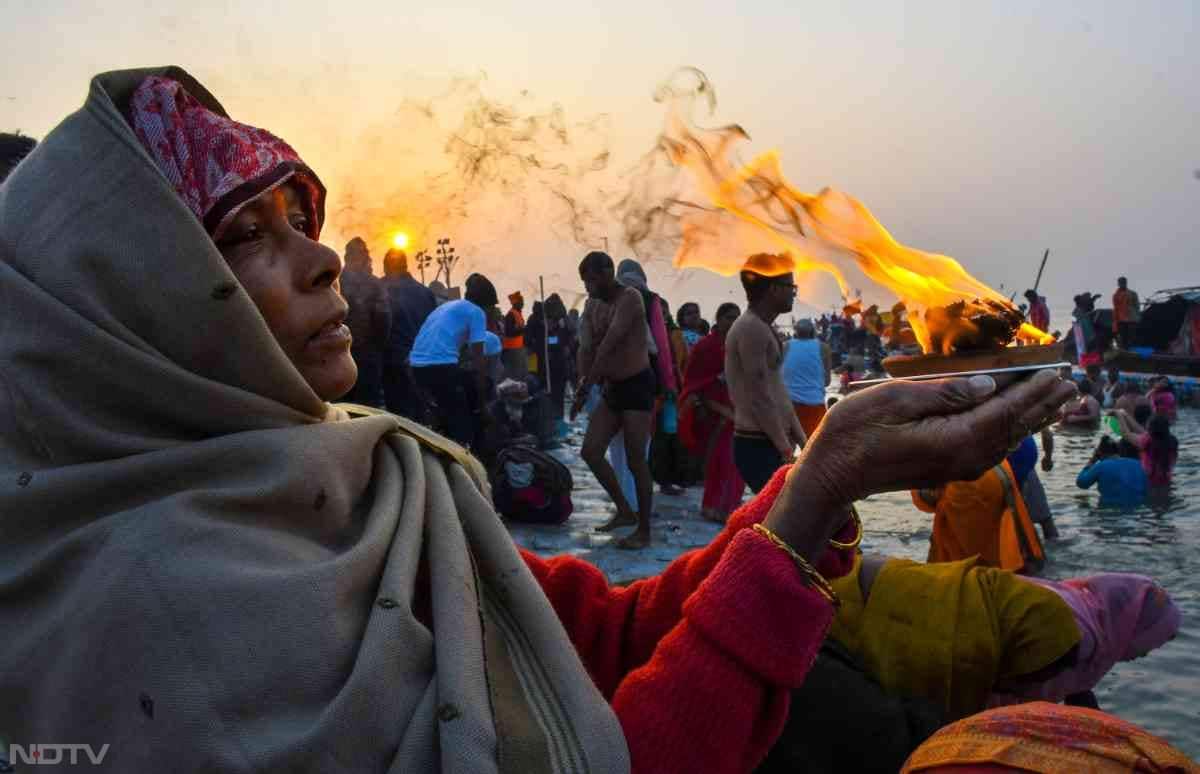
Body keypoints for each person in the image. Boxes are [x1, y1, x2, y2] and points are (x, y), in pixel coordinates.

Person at [0, 68, 1083, 774]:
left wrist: (822, 487)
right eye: (248, 235)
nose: (324, 257)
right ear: (129, 302)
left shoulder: (373, 481)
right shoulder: (157, 611)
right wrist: (811, 496)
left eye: (305, 218)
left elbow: (604, 640)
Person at [573, 251, 657, 549]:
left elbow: (610, 343)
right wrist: (584, 381)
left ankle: (644, 531)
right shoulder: (593, 305)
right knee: (591, 451)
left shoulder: (630, 298)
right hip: (611, 388)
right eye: (584, 281)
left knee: (637, 461)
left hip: (637, 386)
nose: (588, 287)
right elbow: (586, 348)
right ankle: (624, 510)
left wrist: (585, 389)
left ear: (609, 273)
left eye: (592, 279)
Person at [726, 255, 808, 492]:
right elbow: (759, 396)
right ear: (773, 289)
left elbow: (777, 389)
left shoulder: (762, 327)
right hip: (757, 444)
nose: (794, 293)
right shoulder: (751, 328)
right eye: (790, 287)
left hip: (769, 442)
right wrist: (784, 448)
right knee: (782, 521)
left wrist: (803, 441)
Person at [914, 457, 1045, 574]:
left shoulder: (957, 480)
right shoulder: (995, 457)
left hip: (977, 573)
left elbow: (927, 500)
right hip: (1014, 558)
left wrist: (918, 484)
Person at [409, 272, 497, 446]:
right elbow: (478, 360)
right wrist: (483, 405)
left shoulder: (448, 307)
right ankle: (465, 459)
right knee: (462, 423)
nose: (491, 311)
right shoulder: (477, 312)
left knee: (445, 411)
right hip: (440, 367)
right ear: (485, 303)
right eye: (491, 307)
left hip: (416, 366)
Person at [679, 303, 745, 523]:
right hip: (711, 412)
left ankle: (729, 507)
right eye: (729, 317)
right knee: (717, 462)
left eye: (737, 317)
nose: (733, 321)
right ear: (718, 318)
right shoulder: (705, 346)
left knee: (734, 463)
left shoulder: (739, 345)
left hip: (737, 410)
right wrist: (721, 406)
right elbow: (693, 381)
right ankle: (712, 506)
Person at [380, 247, 437, 420]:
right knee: (421, 415)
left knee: (399, 418)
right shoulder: (425, 293)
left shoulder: (381, 289)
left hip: (393, 363)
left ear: (386, 267)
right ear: (405, 266)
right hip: (422, 363)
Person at [338, 237, 391, 407]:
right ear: (364, 257)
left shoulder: (334, 282)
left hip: (339, 355)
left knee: (343, 407)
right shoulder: (374, 284)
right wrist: (377, 347)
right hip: (368, 355)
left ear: (346, 257)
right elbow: (383, 319)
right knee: (368, 408)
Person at [782, 318, 832, 438]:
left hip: (788, 404)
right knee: (814, 448)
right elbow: (827, 381)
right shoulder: (823, 348)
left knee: (787, 450)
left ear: (795, 332)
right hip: (814, 405)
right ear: (813, 332)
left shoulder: (785, 346)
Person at [1076, 436, 1148, 507]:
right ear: (1118, 451)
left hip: (1109, 510)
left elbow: (1081, 483)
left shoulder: (1101, 466)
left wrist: (1092, 461)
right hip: (1137, 509)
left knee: (1082, 504)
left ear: (1099, 453)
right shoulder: (1139, 464)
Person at [1115, 408, 1179, 487]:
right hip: (1166, 481)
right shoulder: (1172, 441)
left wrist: (1118, 415)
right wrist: (1125, 415)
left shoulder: (1147, 442)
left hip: (1148, 483)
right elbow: (1141, 431)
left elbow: (1125, 433)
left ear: (1151, 428)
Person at [502, 290, 528, 380]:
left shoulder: (518, 313)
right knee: (516, 373)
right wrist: (521, 329)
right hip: (513, 348)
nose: (523, 304)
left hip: (519, 346)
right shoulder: (511, 314)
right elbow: (509, 331)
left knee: (521, 371)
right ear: (516, 303)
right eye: (521, 302)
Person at [1112, 276, 1141, 350]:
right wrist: (1115, 321)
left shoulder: (1133, 293)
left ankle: (1133, 350)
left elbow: (1137, 305)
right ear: (1118, 284)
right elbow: (1116, 308)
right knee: (1123, 337)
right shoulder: (1115, 295)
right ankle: (1125, 350)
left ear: (1126, 283)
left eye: (1124, 282)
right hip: (1121, 319)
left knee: (1132, 336)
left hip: (1132, 318)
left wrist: (1137, 316)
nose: (1122, 283)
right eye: (1121, 282)